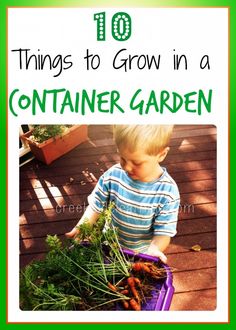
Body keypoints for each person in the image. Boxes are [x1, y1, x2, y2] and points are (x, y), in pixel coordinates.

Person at [66, 125, 180, 263]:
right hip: (108, 246)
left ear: (161, 155)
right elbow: (96, 204)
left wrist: (154, 250)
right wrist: (84, 225)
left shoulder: (167, 192)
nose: (127, 167)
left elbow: (164, 232)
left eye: (137, 162)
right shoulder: (114, 174)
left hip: (139, 256)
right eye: (123, 158)